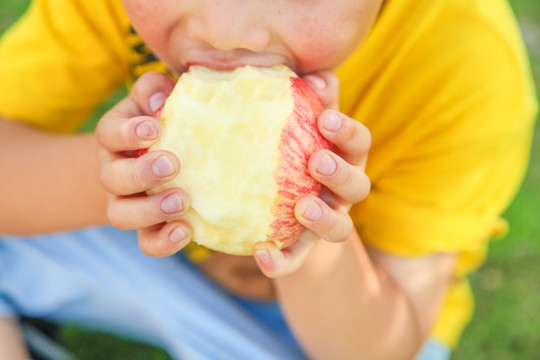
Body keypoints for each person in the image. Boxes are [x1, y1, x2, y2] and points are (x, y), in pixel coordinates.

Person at [0, 0, 537, 359]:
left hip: (332, 326)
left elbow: (378, 346)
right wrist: (117, 178)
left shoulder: (464, 66)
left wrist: (313, 228)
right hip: (154, 260)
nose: (225, 31)